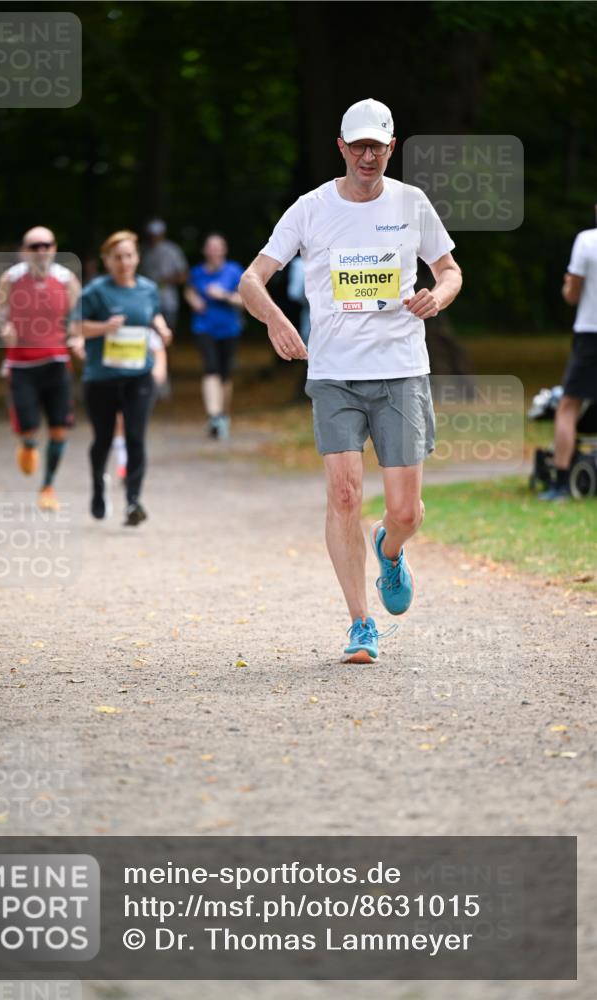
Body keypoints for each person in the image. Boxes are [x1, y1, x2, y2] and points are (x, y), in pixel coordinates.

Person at [239, 98, 462, 663]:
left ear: (392, 147)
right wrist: (276, 319)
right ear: (341, 147)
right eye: (357, 145)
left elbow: (451, 270)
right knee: (344, 495)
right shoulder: (311, 209)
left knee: (405, 510)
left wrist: (437, 296)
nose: (367, 155)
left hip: (402, 370)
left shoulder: (412, 203)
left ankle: (390, 548)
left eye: (377, 146)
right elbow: (252, 279)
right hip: (335, 373)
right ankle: (361, 623)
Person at [72, 230, 170, 526]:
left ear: (137, 258)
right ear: (107, 261)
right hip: (101, 377)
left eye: (128, 256)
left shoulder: (148, 289)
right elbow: (76, 328)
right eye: (117, 257)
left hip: (139, 375)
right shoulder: (95, 291)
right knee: (102, 439)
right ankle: (99, 490)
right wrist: (104, 328)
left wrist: (162, 329)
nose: (124, 262)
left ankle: (133, 501)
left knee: (135, 436)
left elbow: (153, 314)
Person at [0, 226, 81, 511]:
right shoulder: (11, 278)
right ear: (24, 250)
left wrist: (77, 336)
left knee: (60, 429)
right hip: (21, 364)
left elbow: (79, 312)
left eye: (46, 245)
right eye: (34, 246)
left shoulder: (66, 279)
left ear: (54, 247)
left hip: (56, 362)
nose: (41, 251)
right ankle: (27, 445)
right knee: (28, 430)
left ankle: (47, 486)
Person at [538, 209, 597, 501]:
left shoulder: (587, 241)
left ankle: (561, 483)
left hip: (590, 332)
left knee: (568, 406)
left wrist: (567, 285)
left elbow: (572, 294)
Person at [185, 234, 244, 440]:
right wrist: (194, 301)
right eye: (210, 247)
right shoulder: (197, 272)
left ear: (224, 250)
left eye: (218, 247)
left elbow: (245, 301)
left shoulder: (234, 271)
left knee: (225, 374)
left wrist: (224, 295)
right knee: (210, 369)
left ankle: (223, 415)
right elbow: (189, 291)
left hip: (229, 328)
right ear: (205, 251)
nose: (214, 251)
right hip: (204, 327)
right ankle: (214, 415)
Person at [139, 218, 188, 333]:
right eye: (152, 234)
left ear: (163, 233)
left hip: (168, 303)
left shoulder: (173, 250)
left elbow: (184, 276)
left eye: (157, 233)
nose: (154, 237)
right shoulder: (143, 250)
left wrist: (166, 279)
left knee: (167, 335)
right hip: (146, 302)